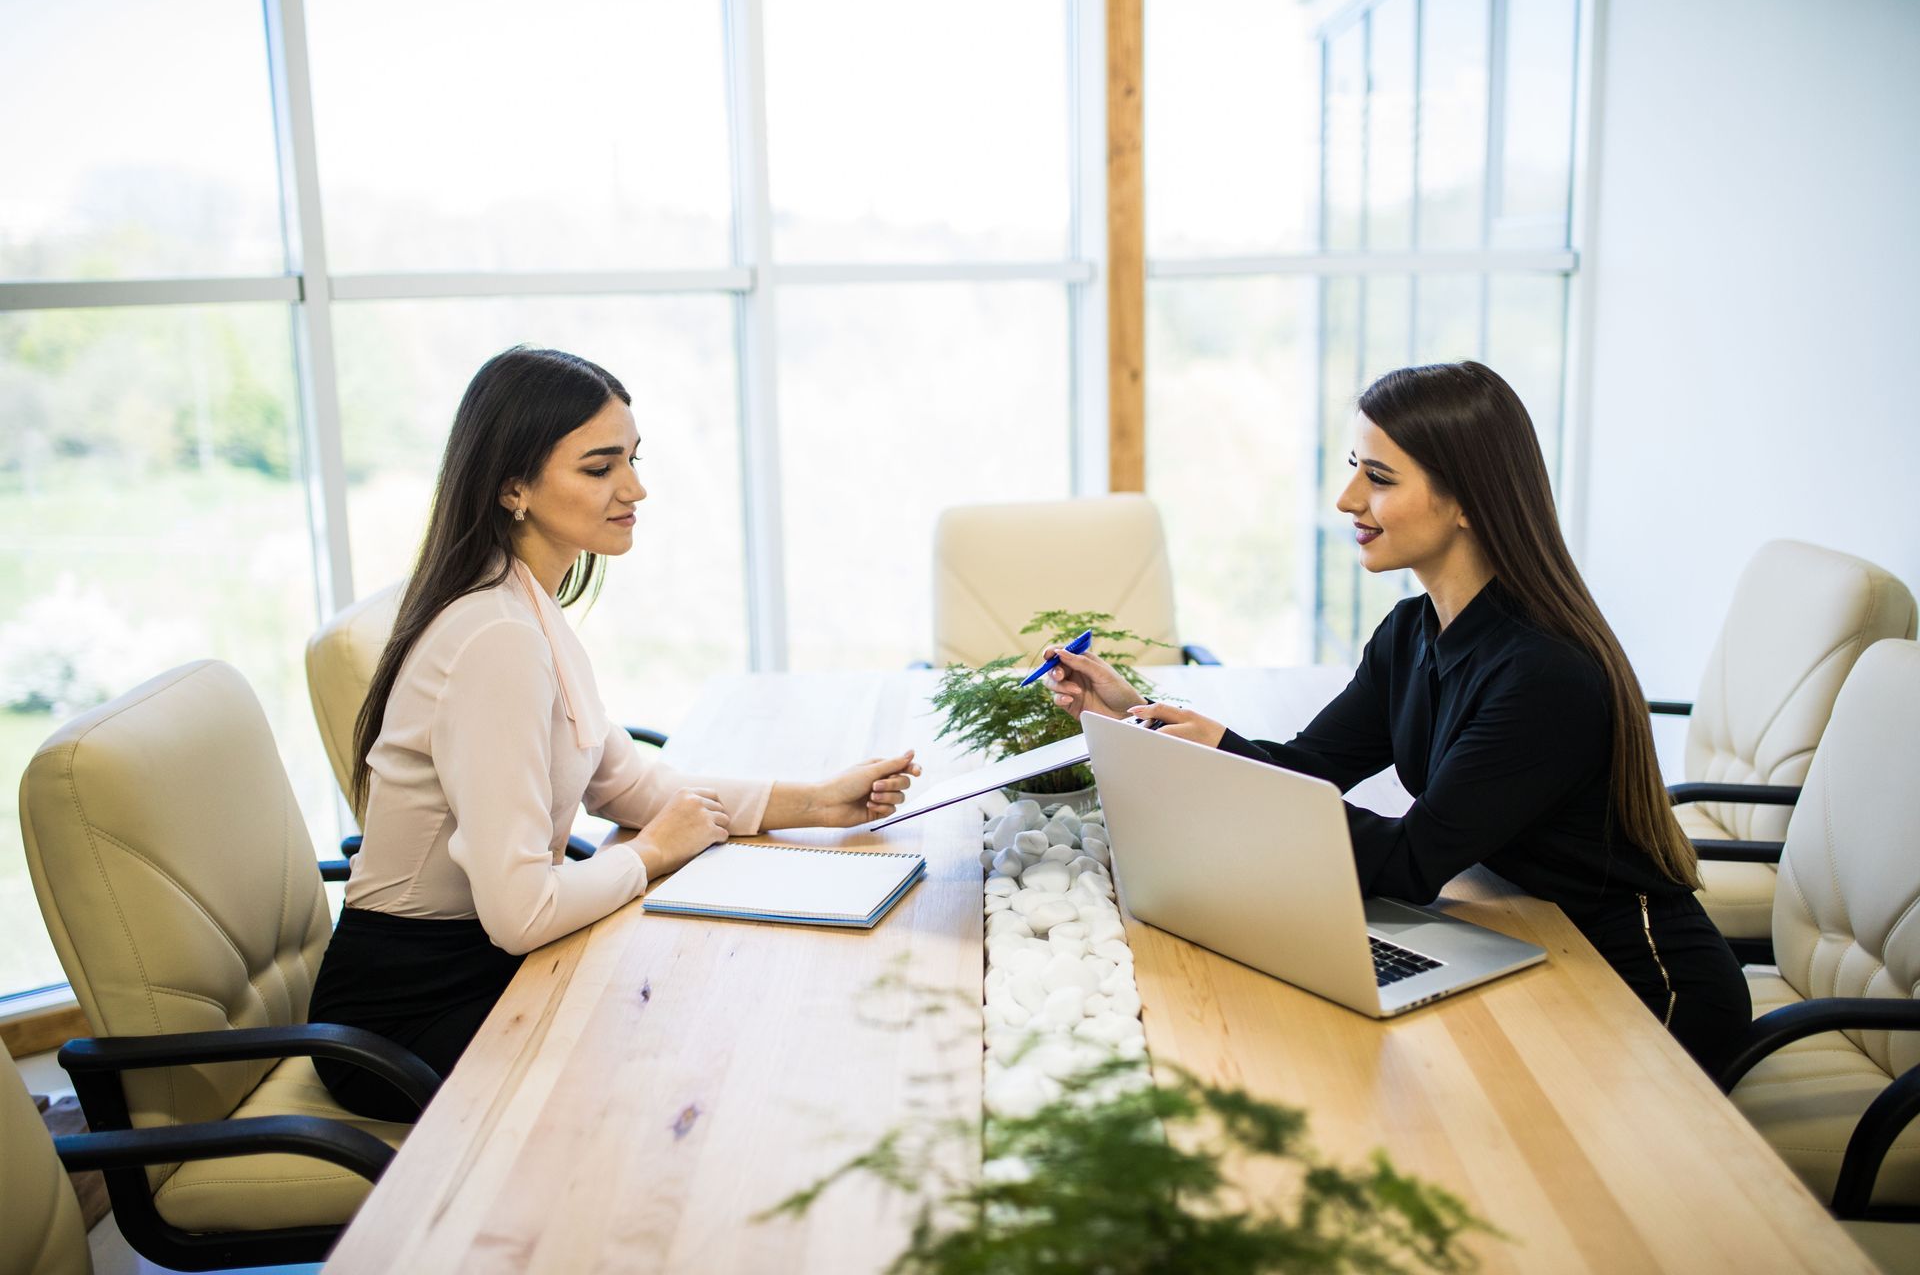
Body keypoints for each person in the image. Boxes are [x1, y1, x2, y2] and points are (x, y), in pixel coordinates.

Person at [1043, 361, 1748, 1075]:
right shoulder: (1413, 633)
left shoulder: (1544, 674)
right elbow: (1310, 767)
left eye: (1379, 479)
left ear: (1469, 500)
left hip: (1643, 985)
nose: (1348, 498)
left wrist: (1218, 753)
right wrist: (1140, 714)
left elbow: (1412, 863)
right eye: (1355, 468)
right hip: (1536, 935)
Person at [309, 346, 920, 1120]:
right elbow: (522, 911)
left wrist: (816, 802)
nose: (634, 489)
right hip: (406, 1019)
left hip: (485, 968)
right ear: (512, 488)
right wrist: (653, 851)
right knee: (686, 1056)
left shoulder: (529, 607)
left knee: (703, 1016)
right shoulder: (495, 638)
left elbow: (632, 786)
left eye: (631, 460)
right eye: (599, 469)